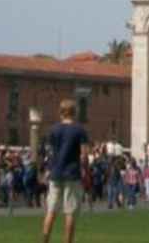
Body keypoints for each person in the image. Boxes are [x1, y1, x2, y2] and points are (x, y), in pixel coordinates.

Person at [41, 99, 90, 243]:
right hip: (72, 173)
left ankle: (45, 240)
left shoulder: (53, 129)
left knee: (51, 210)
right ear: (75, 112)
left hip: (55, 172)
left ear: (60, 112)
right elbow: (84, 155)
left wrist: (47, 169)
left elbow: (49, 153)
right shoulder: (80, 130)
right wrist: (86, 171)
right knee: (70, 211)